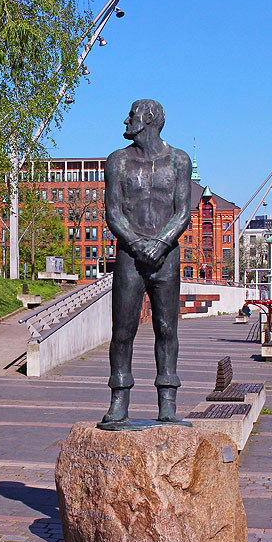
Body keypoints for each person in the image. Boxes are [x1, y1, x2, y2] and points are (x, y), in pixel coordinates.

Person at [102, 99, 192, 424]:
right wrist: (139, 243)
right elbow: (113, 212)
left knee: (166, 329)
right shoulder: (117, 161)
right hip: (129, 255)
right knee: (123, 331)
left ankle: (167, 400)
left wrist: (161, 242)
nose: (126, 121)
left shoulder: (179, 161)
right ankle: (119, 398)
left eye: (131, 115)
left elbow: (183, 211)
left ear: (149, 118)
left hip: (166, 257)